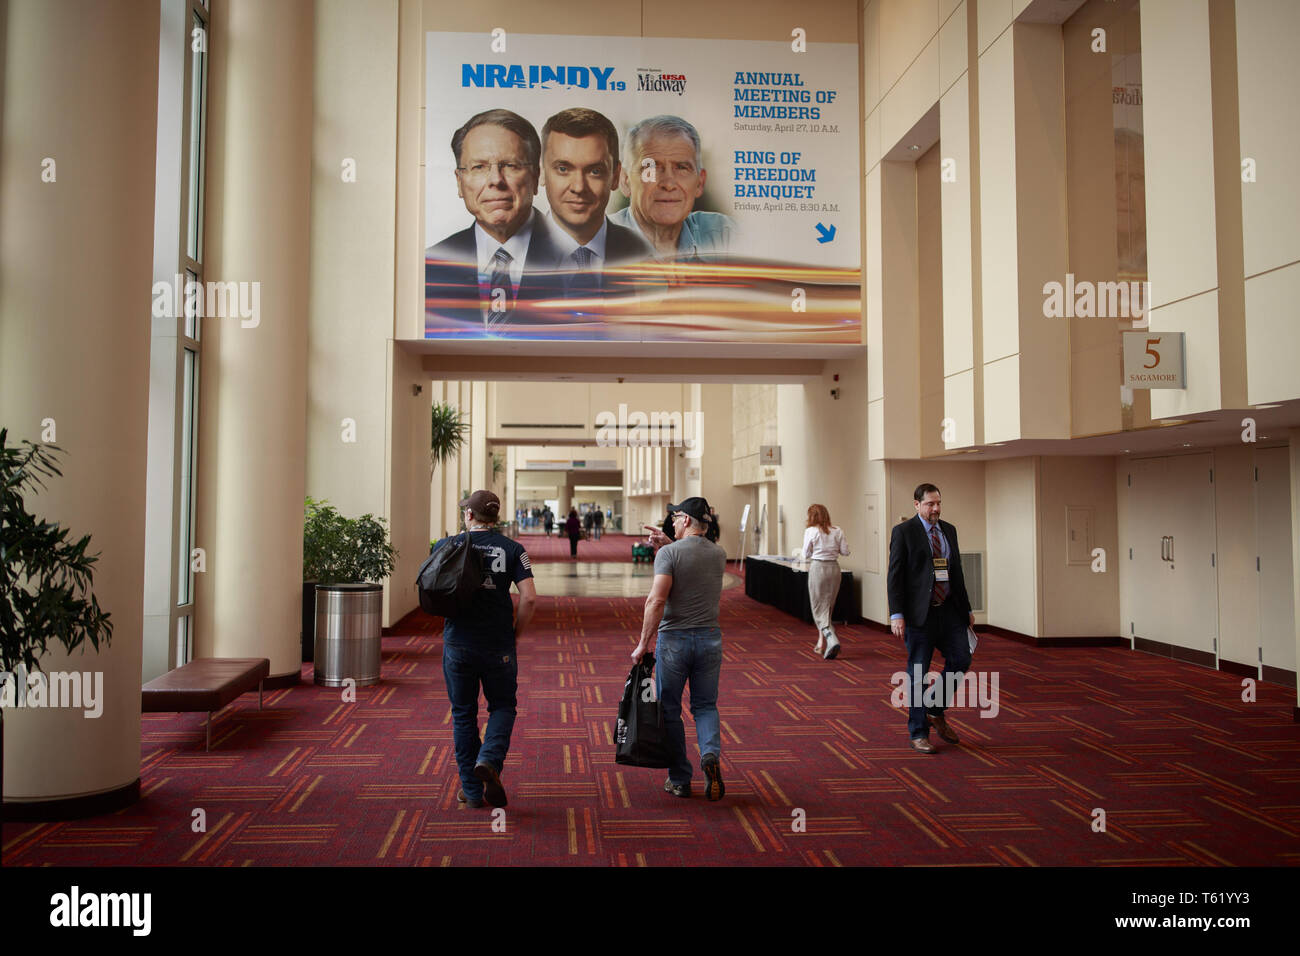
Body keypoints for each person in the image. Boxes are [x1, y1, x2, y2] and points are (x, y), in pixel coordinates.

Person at [431, 490, 537, 807]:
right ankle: (489, 760)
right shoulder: (514, 549)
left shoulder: (446, 546)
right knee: (502, 706)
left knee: (464, 715)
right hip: (498, 643)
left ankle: (473, 792)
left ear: (469, 516)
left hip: (458, 642)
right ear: (496, 518)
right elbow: (529, 597)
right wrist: (515, 633)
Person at [425, 109, 566, 334]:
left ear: (536, 176)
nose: (495, 180)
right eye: (479, 167)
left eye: (510, 165)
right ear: (460, 182)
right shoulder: (430, 267)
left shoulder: (581, 257)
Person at [632, 497, 727, 801]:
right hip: (710, 638)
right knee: (705, 706)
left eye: (674, 517)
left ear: (686, 520)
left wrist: (643, 643)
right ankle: (709, 756)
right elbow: (692, 560)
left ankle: (680, 779)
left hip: (674, 641)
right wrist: (669, 544)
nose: (670, 522)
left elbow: (657, 601)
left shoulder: (669, 555)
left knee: (670, 710)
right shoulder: (719, 554)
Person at [887, 483, 974, 754]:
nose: (935, 509)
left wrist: (967, 609)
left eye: (938, 503)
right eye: (929, 504)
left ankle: (935, 708)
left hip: (949, 611)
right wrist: (897, 614)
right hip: (919, 616)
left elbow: (956, 572)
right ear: (916, 505)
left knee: (961, 658)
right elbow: (895, 576)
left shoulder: (949, 530)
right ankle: (918, 733)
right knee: (917, 674)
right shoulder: (904, 532)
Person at [540, 107, 655, 293]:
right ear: (542, 173)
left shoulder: (642, 254)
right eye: (563, 169)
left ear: (616, 176)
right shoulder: (511, 253)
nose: (578, 187)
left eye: (595, 171)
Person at [610, 115, 736, 261]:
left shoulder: (725, 234)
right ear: (625, 182)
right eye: (652, 168)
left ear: (700, 183)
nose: (668, 184)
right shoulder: (596, 243)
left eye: (682, 168)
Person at [803, 504, 850, 660]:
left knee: (817, 609)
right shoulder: (838, 530)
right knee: (828, 607)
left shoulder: (811, 531)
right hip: (834, 569)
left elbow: (805, 554)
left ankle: (832, 638)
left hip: (818, 568)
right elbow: (845, 552)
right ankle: (821, 643)